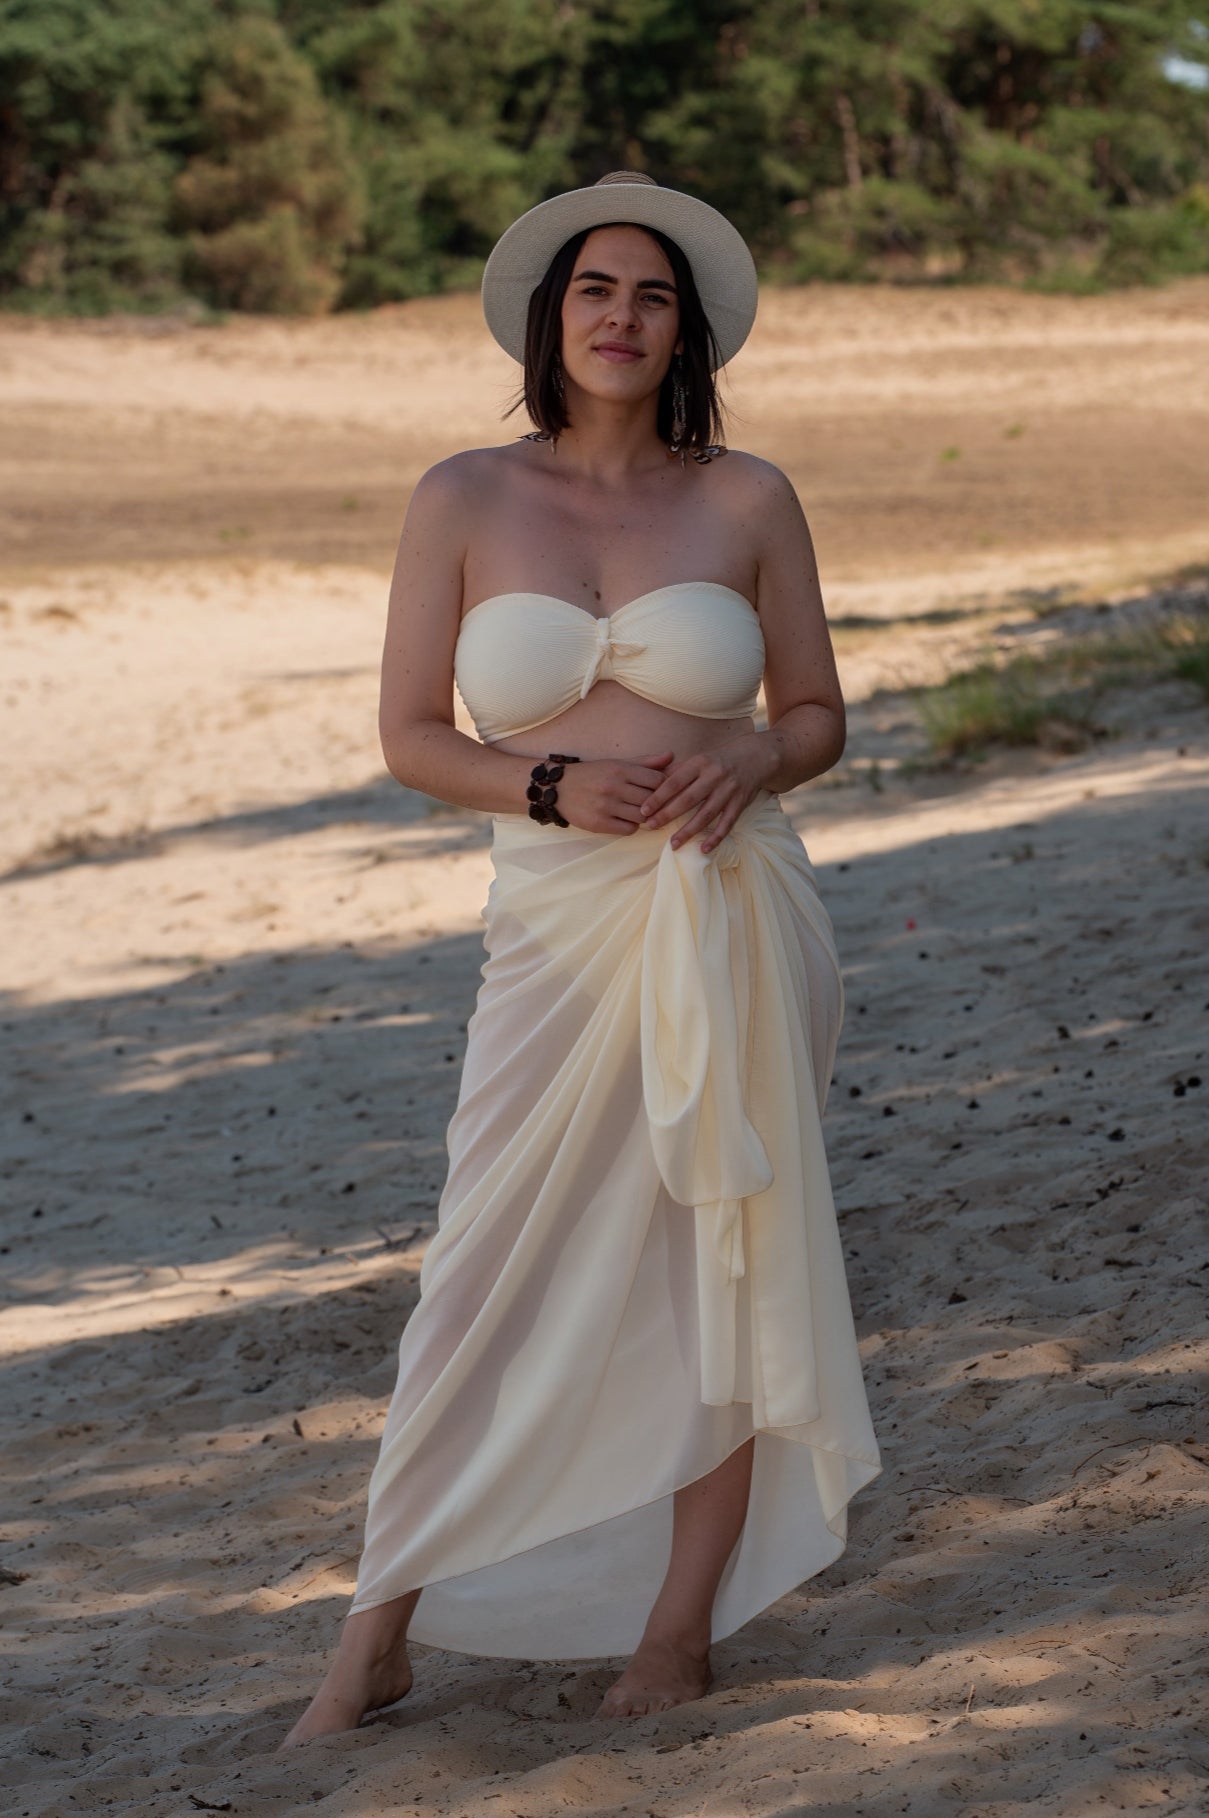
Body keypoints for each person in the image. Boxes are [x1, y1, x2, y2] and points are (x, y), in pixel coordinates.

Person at [281, 171, 880, 1747]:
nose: (621, 317)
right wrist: (548, 780)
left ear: (686, 330)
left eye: (653, 296)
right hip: (551, 922)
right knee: (478, 1267)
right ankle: (375, 1630)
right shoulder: (464, 497)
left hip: (729, 903)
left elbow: (816, 712)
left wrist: (749, 763)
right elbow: (413, 734)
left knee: (720, 1260)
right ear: (550, 317)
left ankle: (677, 1626)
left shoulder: (746, 496)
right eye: (595, 290)